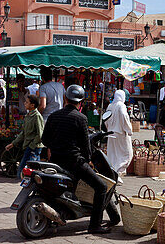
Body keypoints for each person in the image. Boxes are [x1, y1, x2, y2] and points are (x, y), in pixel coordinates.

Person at [41, 85, 119, 234]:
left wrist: (57, 146)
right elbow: (85, 147)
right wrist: (88, 159)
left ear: (65, 99)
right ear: (81, 102)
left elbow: (45, 140)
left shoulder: (53, 116)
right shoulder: (81, 118)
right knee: (102, 187)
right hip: (74, 162)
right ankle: (94, 225)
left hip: (56, 161)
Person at [7, 94, 44, 179]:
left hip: (34, 148)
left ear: (32, 105)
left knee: (29, 172)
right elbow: (23, 133)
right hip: (28, 146)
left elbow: (40, 135)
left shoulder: (37, 116)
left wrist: (32, 146)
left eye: (27, 102)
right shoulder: (27, 116)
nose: (24, 103)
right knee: (24, 171)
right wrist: (13, 144)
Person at [103, 89, 133, 180]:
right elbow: (124, 117)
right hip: (120, 133)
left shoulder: (110, 105)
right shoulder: (121, 106)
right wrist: (129, 130)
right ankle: (118, 173)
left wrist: (109, 128)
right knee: (127, 154)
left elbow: (106, 118)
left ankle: (112, 173)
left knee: (113, 154)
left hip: (111, 133)